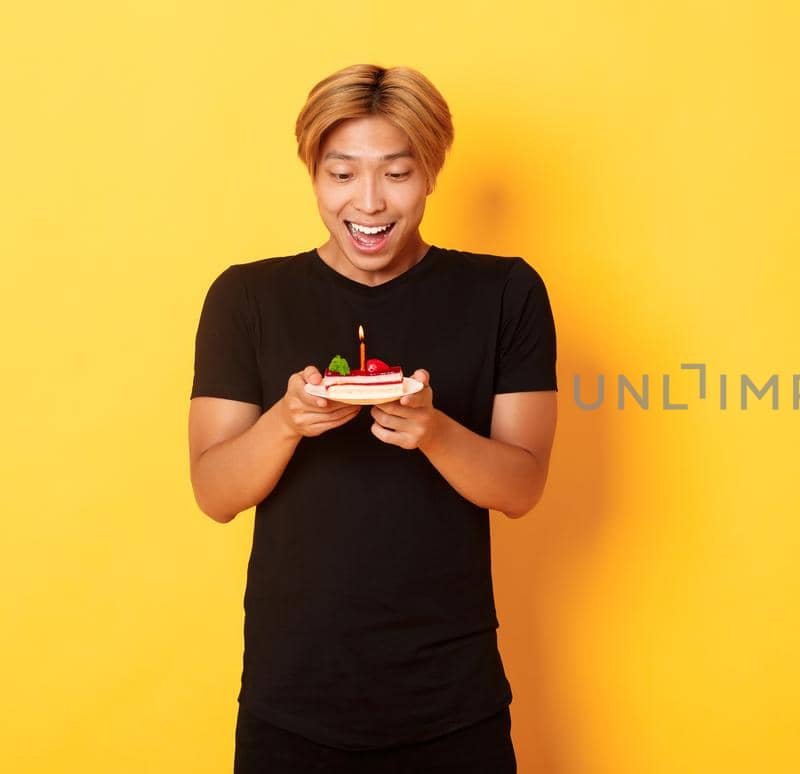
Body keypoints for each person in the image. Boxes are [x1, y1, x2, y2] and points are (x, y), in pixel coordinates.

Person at [187, 63, 558, 773]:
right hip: (291, 696)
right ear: (313, 174)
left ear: (431, 174)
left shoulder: (506, 292)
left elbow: (522, 489)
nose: (368, 202)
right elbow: (214, 493)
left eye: (396, 173)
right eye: (341, 173)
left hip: (453, 699)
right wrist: (287, 421)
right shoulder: (247, 298)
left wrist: (434, 431)